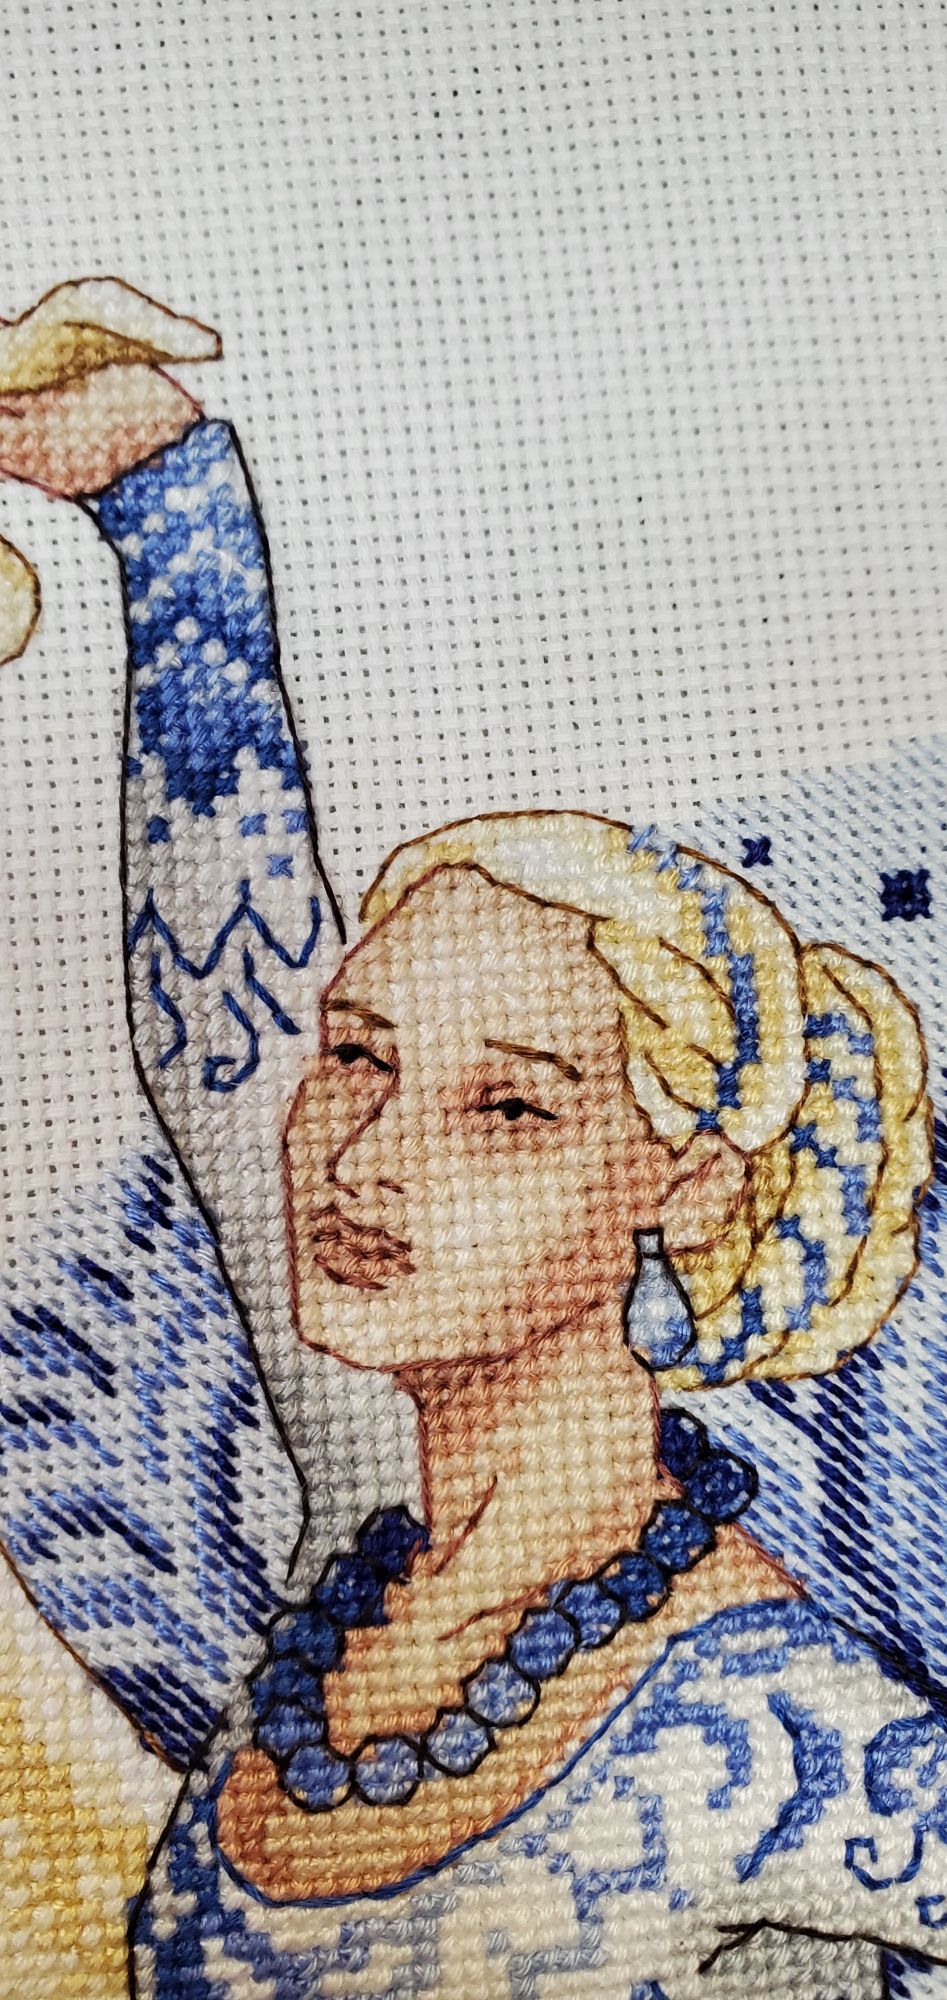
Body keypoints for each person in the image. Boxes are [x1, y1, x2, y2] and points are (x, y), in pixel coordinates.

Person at [0, 281, 943, 1999]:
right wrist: (156, 492)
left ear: (689, 1180)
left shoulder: (805, 1755)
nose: (363, 1156)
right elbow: (225, 1006)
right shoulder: (369, 1516)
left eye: (507, 1106)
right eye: (358, 1059)